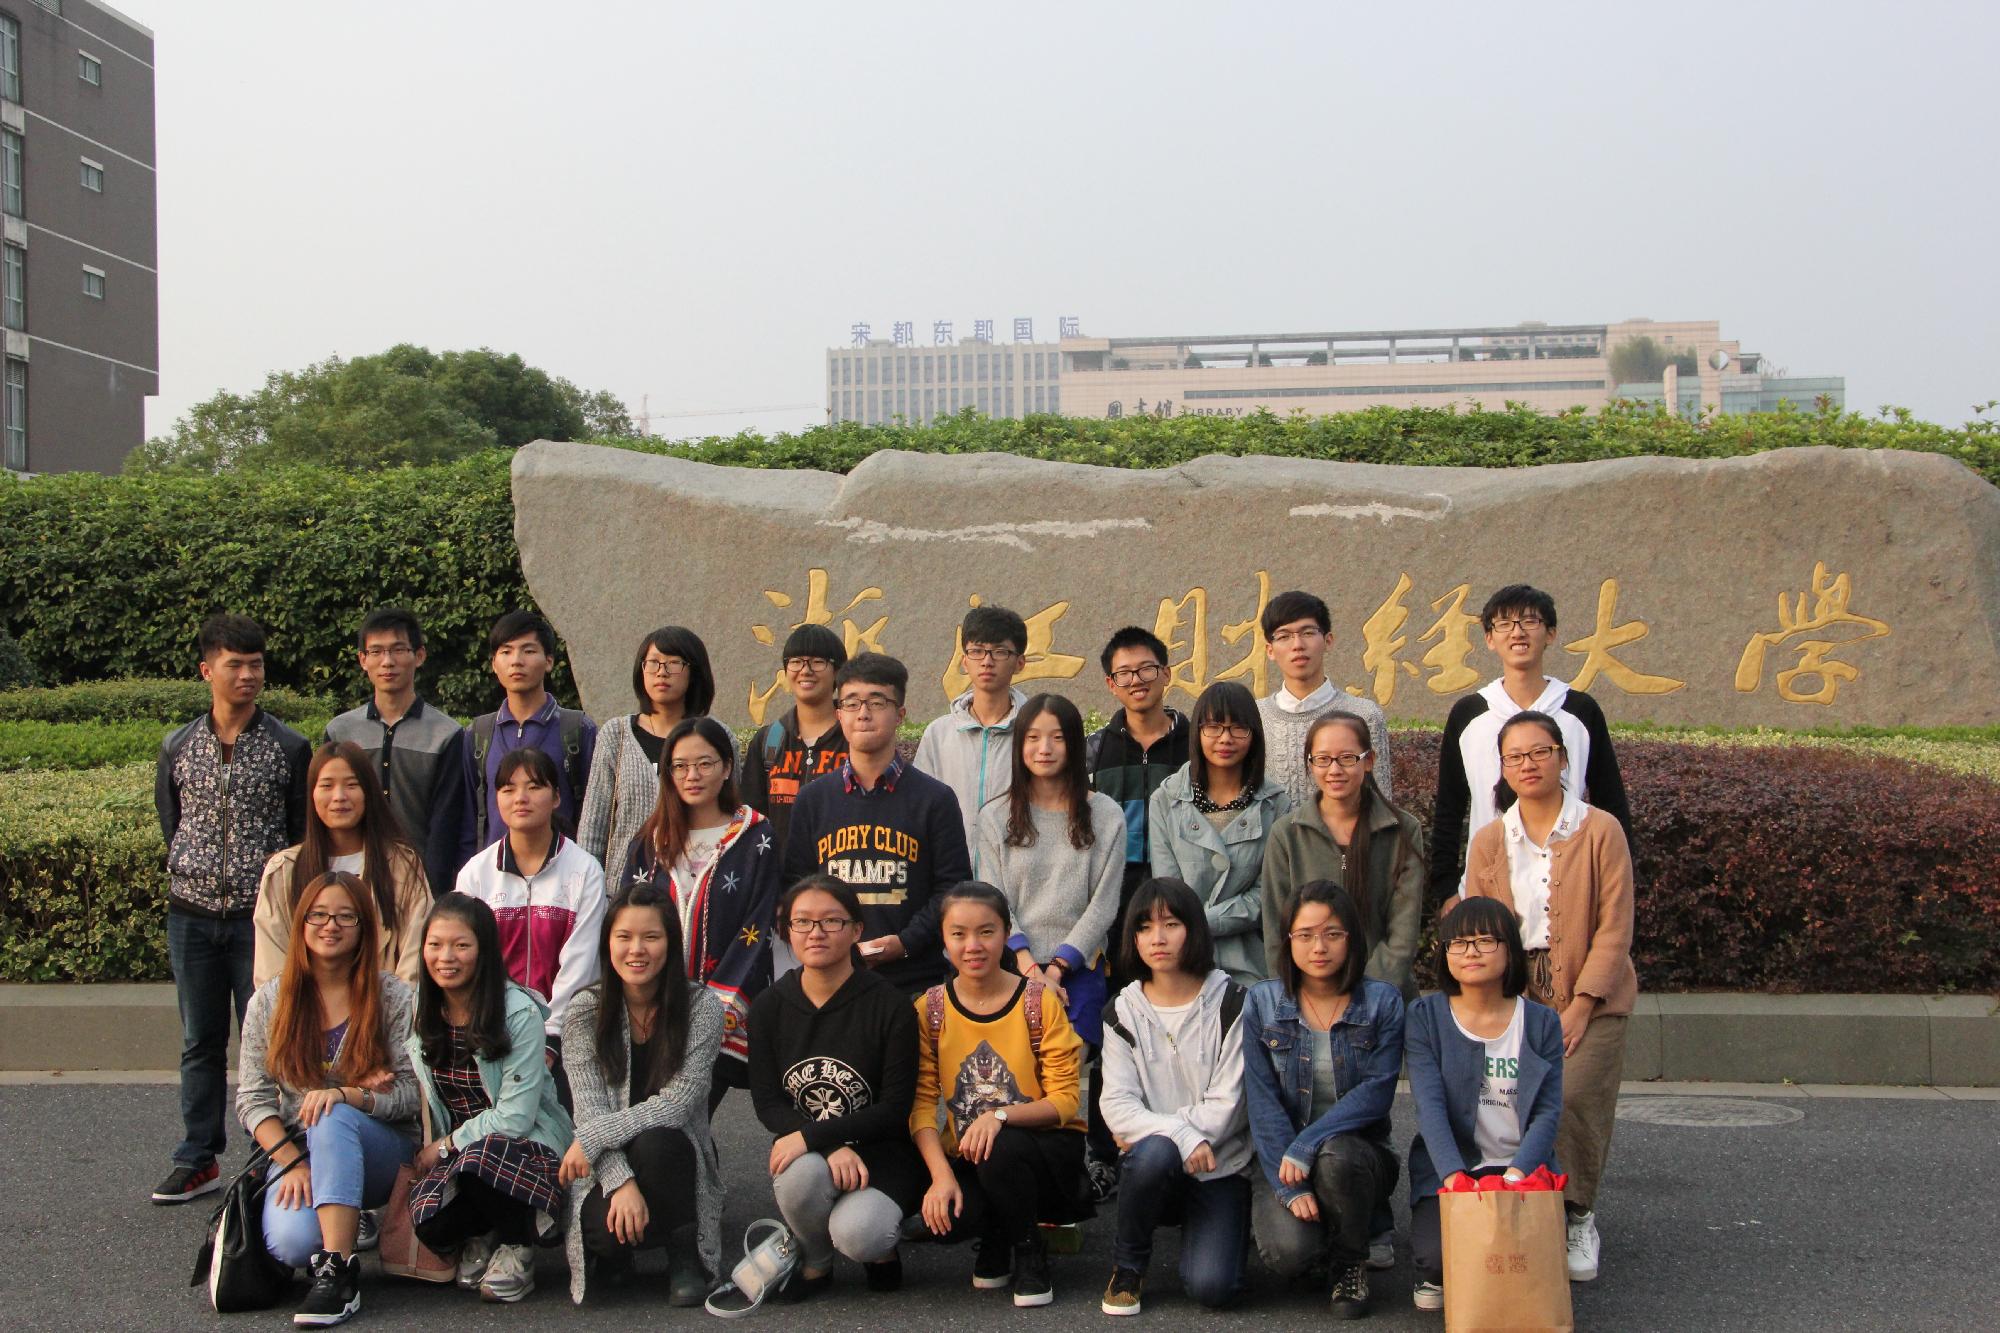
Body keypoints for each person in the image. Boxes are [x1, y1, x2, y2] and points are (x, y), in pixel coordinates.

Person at [1463, 709, 1636, 1283]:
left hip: (1593, 987)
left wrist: (1582, 1005)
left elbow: (1615, 926)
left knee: (1575, 1097)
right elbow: (1482, 928)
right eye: (1515, 756)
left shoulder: (1601, 830)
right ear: (1502, 767)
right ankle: (1530, 1210)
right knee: (1516, 1102)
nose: (1528, 764)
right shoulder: (1491, 840)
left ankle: (1578, 1213)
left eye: (1540, 751)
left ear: (1562, 757)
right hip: (1516, 987)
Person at [153, 612, 310, 1206]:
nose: (248, 675)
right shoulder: (179, 745)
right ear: (207, 670)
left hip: (259, 920)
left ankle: (269, 1154)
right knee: (200, 1040)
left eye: (256, 665)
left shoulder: (289, 746)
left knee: (267, 1039)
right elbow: (173, 822)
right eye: (235, 664)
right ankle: (197, 1158)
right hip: (190, 914)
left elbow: (299, 834)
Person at [234, 870, 418, 1327]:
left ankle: (338, 1272)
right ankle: (337, 1224)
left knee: (331, 1112)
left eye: (344, 916)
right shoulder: (270, 1001)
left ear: (364, 927)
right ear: (300, 924)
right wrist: (293, 1163)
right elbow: (253, 1099)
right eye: (317, 915)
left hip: (383, 1150)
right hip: (301, 1151)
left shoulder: (395, 997)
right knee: (292, 1244)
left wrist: (352, 1095)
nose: (330, 926)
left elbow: (413, 1094)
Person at [744, 874, 925, 1303]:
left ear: (857, 929)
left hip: (884, 1151)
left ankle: (879, 1246)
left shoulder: (891, 1005)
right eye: (802, 922)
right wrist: (827, 1145)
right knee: (798, 1175)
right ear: (787, 930)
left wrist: (815, 1136)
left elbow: (895, 1107)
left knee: (861, 1235)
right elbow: (768, 1104)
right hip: (811, 1152)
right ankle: (816, 1258)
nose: (816, 932)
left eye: (831, 921)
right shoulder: (769, 1007)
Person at [911, 882, 1091, 1309]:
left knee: (1001, 1146)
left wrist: (999, 1116)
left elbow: (1066, 1100)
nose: (973, 946)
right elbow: (920, 1106)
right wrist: (941, 1177)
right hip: (968, 1155)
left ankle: (1028, 1247)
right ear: (944, 939)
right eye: (958, 934)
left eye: (986, 932)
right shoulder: (930, 1009)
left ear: (1006, 935)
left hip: (1043, 1152)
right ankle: (996, 1229)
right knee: (946, 1222)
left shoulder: (1038, 1001)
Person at [976, 692, 1126, 1200]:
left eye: (1057, 737)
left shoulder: (1103, 814)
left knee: (1063, 1078)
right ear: (1020, 744)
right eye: (1034, 738)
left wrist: (1058, 968)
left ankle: (1066, 1186)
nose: (1044, 748)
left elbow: (1104, 904)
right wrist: (1027, 965)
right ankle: (1017, 1186)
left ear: (1075, 744)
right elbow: (992, 899)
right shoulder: (996, 816)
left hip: (1078, 971)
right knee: (1013, 1078)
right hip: (1010, 968)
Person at [1244, 881, 1406, 1319]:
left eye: (1332, 934)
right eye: (1305, 934)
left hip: (1357, 1154)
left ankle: (1350, 1262)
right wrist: (1288, 1186)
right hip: (1283, 1158)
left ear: (1351, 938)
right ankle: (1344, 1230)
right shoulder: (1262, 1002)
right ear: (1288, 940)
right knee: (1289, 1253)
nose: (1319, 947)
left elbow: (1376, 1093)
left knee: (1337, 1155)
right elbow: (1262, 1102)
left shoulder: (1383, 1002)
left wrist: (1308, 1142)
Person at [560, 882, 725, 1306]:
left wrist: (591, 1139)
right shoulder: (584, 1010)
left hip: (673, 1151)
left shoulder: (702, 1007)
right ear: (607, 943)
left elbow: (677, 1104)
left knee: (658, 1143)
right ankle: (620, 1255)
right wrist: (621, 1183)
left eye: (651, 936)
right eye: (624, 937)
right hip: (608, 1161)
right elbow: (590, 1111)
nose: (637, 949)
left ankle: (684, 1252)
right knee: (604, 1234)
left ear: (670, 943)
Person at [407, 893, 576, 1305]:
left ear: (484, 951)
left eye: (461, 945)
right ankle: (485, 1232)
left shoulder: (517, 1012)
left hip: (525, 1146)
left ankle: (518, 1245)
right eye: (435, 944)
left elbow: (515, 1118)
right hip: (462, 1154)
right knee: (429, 1220)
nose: (446, 957)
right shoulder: (423, 1005)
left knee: (479, 1160)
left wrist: (446, 1145)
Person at [1097, 877, 1251, 1317]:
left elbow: (1229, 1105)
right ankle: (1129, 1264)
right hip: (1154, 1162)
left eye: (1171, 924)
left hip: (1219, 1163)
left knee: (1213, 1288)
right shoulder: (1122, 1010)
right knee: (1155, 1154)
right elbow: (1117, 1105)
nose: (1157, 939)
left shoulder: (1233, 1003)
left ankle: (1211, 1230)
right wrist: (1181, 1135)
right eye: (1144, 927)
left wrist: (1166, 1130)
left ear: (1194, 930)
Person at [1405, 896, 1564, 1314]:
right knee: (1437, 1260)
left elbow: (1548, 1113)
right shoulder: (1425, 1017)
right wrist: (1455, 1178)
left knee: (1527, 1260)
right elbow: (1429, 1106)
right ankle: (1436, 1267)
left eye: (1485, 940)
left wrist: (1516, 1177)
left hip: (1521, 1169)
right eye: (1458, 943)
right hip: (1453, 1168)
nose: (1470, 952)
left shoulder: (1541, 1022)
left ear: (1510, 949)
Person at [1427, 584, 1632, 906]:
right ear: (1489, 639)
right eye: (1504, 624)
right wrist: (1447, 892)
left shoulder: (1579, 711)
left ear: (1550, 633)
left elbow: (1610, 801)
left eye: (1530, 621)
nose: (1517, 632)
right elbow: (1449, 807)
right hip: (1487, 887)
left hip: (1569, 885)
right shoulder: (1469, 715)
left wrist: (1614, 888)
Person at [784, 653, 973, 994]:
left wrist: (906, 942)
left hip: (916, 981)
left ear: (900, 714)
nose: (863, 713)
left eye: (877, 702)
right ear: (839, 713)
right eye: (851, 703)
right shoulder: (813, 799)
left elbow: (952, 889)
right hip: (833, 981)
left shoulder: (935, 799)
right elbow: (796, 886)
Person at [622, 715, 781, 1104]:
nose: (692, 775)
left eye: (705, 763)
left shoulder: (755, 838)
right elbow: (626, 922)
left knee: (684, 1108)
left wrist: (713, 1011)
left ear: (726, 768)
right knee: (652, 1113)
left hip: (722, 1008)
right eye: (680, 766)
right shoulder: (649, 843)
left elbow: (759, 924)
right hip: (652, 1008)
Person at [452, 747, 605, 1060]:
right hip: (490, 1032)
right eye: (508, 789)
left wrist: (550, 1036)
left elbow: (582, 963)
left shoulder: (585, 870)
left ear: (556, 797)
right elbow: (467, 959)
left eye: (534, 787)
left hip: (566, 1037)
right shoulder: (476, 874)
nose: (520, 798)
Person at [1260, 712, 1426, 996]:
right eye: (1322, 759)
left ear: (1369, 761)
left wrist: (1368, 996)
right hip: (1309, 999)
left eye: (1347, 758)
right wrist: (1300, 995)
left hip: (1384, 996)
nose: (1334, 769)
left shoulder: (1402, 831)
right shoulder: (1286, 834)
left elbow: (1403, 933)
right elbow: (1277, 929)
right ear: (1310, 764)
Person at [1147, 681, 1292, 987]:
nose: (1225, 738)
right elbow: (1169, 888)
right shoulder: (1165, 800)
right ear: (1197, 732)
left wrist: (1199, 922)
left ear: (1254, 734)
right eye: (1213, 727)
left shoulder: (1276, 804)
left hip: (1253, 963)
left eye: (1238, 728)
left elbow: (1268, 893)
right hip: (1183, 961)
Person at [255, 741, 431, 988]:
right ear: (312, 793)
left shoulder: (402, 865)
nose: (339, 797)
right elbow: (271, 966)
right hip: (304, 1006)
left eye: (351, 785)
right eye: (327, 786)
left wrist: (393, 1005)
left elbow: (415, 954)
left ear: (368, 792)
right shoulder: (285, 870)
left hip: (386, 1004)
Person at [324, 607, 466, 897]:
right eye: (376, 652)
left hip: (419, 884)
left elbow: (446, 823)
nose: (387, 661)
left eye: (398, 650)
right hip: (349, 882)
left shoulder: (446, 734)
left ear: (419, 655)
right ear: (362, 660)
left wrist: (433, 892)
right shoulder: (340, 731)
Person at [577, 626, 715, 891]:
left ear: (694, 671)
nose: (662, 672)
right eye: (653, 663)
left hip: (694, 889)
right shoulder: (616, 735)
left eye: (674, 663)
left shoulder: (716, 737)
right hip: (624, 892)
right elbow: (593, 828)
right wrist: (587, 892)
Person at [461, 609, 597, 859]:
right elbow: (467, 821)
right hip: (494, 873)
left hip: (563, 869)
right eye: (506, 652)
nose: (516, 661)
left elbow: (595, 814)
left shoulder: (578, 730)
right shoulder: (478, 734)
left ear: (549, 661)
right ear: (494, 664)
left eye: (528, 650)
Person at [1083, 626, 1191, 929]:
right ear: (1111, 684)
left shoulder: (1196, 746)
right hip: (1111, 896)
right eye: (1124, 673)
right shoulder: (1093, 751)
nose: (1136, 680)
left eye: (1146, 669)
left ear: (1166, 674)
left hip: (1182, 889)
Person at [914, 604, 1030, 862]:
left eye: (999, 652)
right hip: (950, 872)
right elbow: (919, 807)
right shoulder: (939, 734)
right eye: (977, 651)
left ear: (1019, 662)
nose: (987, 661)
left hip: (1016, 872)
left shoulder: (1034, 732)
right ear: (964, 661)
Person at [1256, 591, 1393, 807]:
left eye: (1308, 633)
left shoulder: (1364, 715)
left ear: (1328, 641)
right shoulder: (1255, 717)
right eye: (1284, 636)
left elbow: (1381, 806)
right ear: (1270, 650)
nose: (1297, 644)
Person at [737, 624, 850, 863]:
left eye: (817, 662)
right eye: (796, 662)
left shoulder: (853, 738)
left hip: (839, 875)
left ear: (838, 672)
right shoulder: (769, 740)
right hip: (779, 878)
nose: (805, 671)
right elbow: (750, 821)